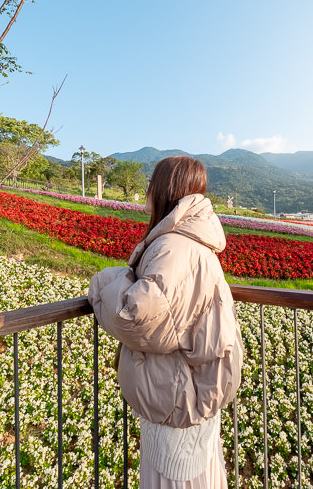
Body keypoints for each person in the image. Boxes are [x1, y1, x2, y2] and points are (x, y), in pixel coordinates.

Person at [88, 156, 243, 488]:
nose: (146, 190)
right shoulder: (195, 242)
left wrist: (106, 283)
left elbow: (138, 319)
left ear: (165, 189)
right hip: (194, 387)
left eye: (151, 183)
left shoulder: (174, 247)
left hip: (176, 394)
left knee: (174, 477)